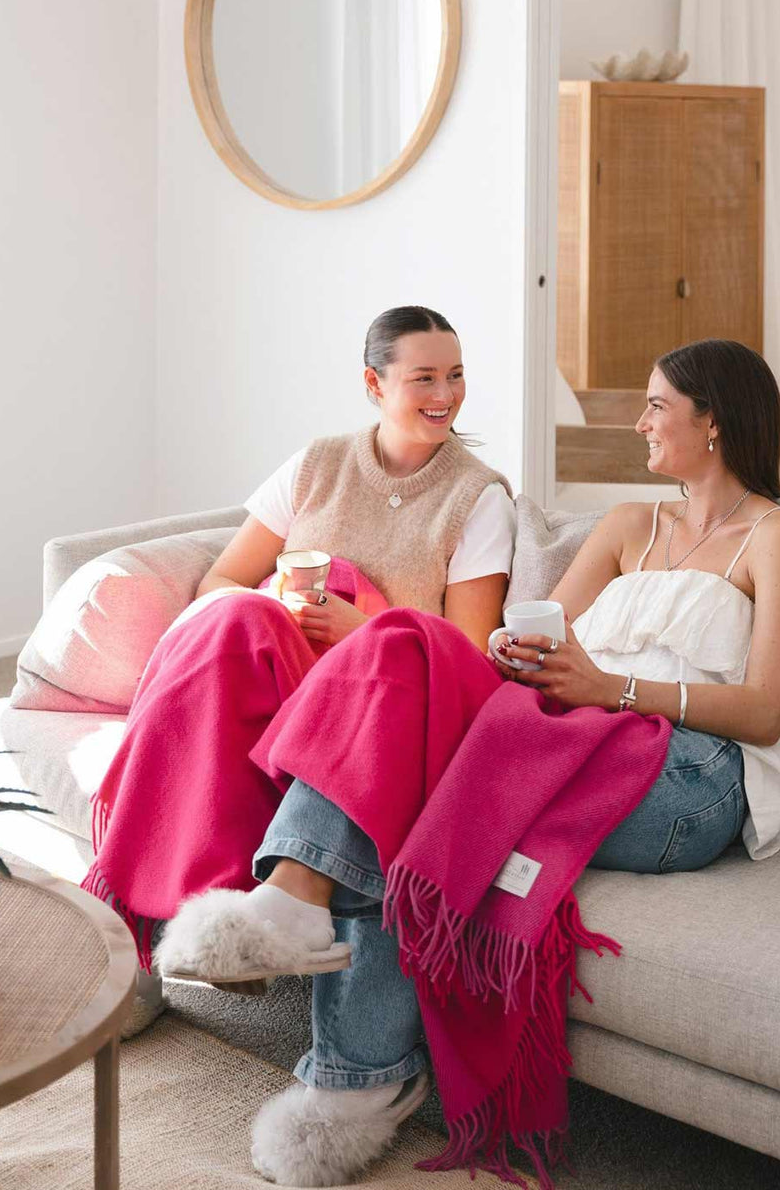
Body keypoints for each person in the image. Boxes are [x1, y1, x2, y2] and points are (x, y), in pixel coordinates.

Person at [167, 339, 780, 1188]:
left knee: (414, 775)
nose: (639, 421)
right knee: (406, 650)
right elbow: (532, 642)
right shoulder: (628, 527)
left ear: (716, 423)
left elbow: (767, 709)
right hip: (563, 732)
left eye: (657, 406)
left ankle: (356, 1071)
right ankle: (300, 921)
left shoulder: (779, 536)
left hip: (690, 778)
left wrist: (610, 687)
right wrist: (520, 653)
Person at [80, 304, 515, 1036]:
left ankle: (137, 937)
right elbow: (220, 582)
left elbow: (468, 663)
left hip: (379, 704)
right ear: (374, 383)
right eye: (424, 377)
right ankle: (155, 930)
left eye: (457, 374)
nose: (445, 393)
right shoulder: (317, 464)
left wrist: (363, 626)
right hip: (274, 672)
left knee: (241, 634)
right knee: (235, 617)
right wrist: (278, 609)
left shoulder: (477, 498)